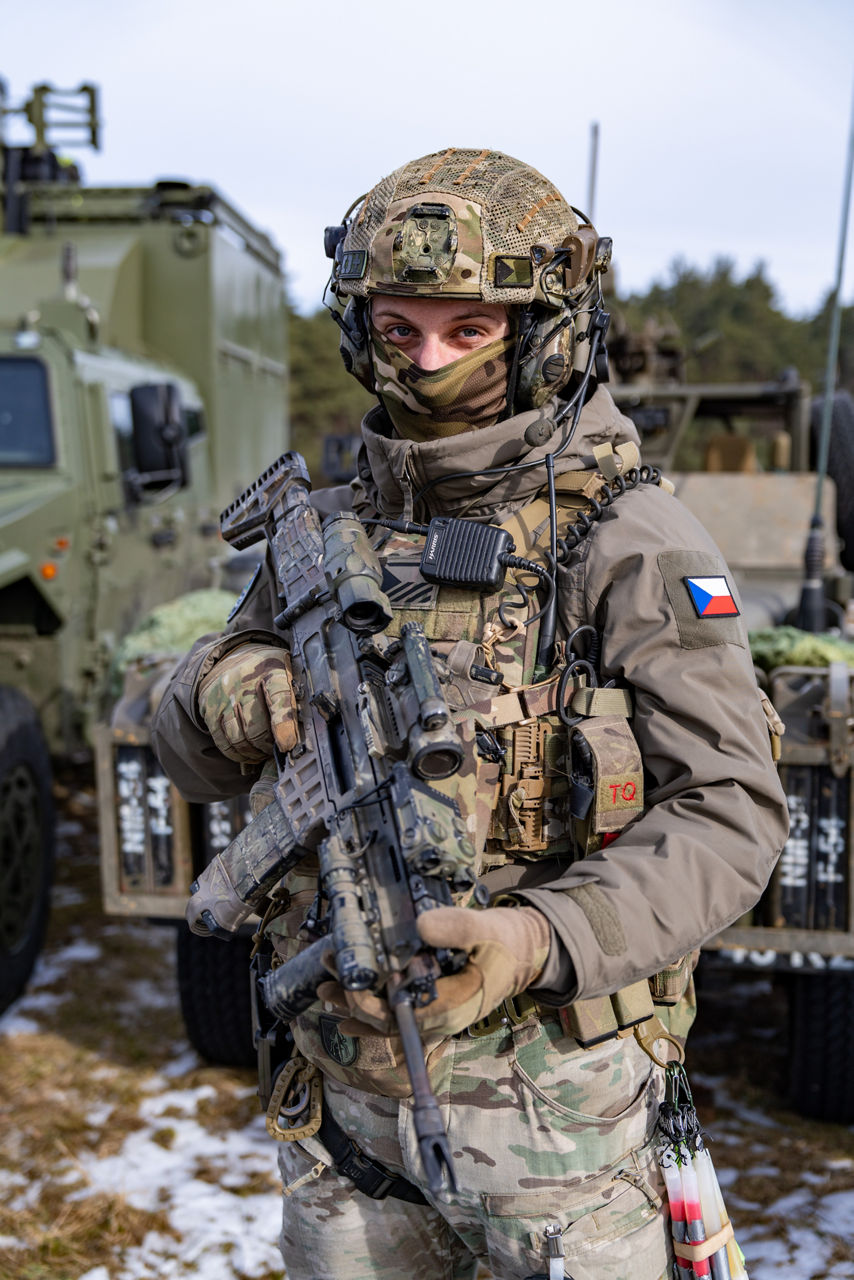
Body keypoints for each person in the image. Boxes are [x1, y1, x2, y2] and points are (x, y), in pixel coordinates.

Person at [151, 148, 789, 1280]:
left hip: (559, 1127)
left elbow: (731, 814)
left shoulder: (631, 540)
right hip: (344, 1115)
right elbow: (175, 731)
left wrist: (533, 938)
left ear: (542, 333)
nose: (427, 364)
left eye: (466, 331)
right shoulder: (331, 532)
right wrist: (229, 693)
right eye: (398, 333)